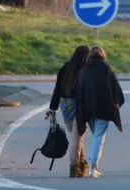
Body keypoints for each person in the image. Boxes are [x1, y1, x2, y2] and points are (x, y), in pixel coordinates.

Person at [76, 45, 125, 178]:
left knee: (96, 136)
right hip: (104, 109)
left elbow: (79, 90)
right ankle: (93, 167)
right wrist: (116, 104)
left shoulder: (84, 70)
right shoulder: (106, 69)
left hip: (88, 109)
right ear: (102, 55)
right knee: (99, 137)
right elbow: (116, 90)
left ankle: (94, 165)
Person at [46, 45, 90, 178]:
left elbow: (57, 90)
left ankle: (82, 164)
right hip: (81, 108)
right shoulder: (85, 71)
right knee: (77, 138)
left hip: (65, 107)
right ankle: (74, 168)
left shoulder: (65, 69)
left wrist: (52, 108)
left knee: (77, 137)